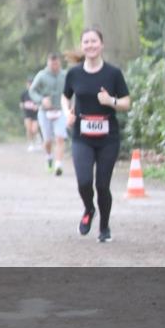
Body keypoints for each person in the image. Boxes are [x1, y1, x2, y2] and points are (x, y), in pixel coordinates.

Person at [62, 27, 131, 242]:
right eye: (86, 42)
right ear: (82, 46)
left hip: (107, 139)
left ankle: (104, 227)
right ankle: (89, 209)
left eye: (94, 41)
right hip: (82, 137)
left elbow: (126, 102)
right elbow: (65, 97)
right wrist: (68, 114)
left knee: (102, 185)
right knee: (84, 182)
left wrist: (110, 101)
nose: (90, 45)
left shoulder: (113, 73)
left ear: (102, 45)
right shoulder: (74, 73)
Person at [29, 53, 68, 176]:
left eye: (56, 64)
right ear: (48, 63)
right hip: (45, 112)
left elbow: (72, 90)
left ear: (59, 63)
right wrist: (41, 100)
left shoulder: (65, 75)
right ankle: (49, 156)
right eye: (51, 64)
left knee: (60, 137)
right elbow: (32, 90)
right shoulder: (41, 75)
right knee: (48, 140)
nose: (54, 66)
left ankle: (58, 165)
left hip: (60, 110)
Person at [20, 79, 41, 151]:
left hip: (35, 114)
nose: (29, 85)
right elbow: (21, 103)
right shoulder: (24, 93)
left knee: (34, 130)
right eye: (28, 84)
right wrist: (23, 106)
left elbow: (41, 103)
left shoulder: (37, 93)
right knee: (28, 129)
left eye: (31, 84)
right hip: (27, 113)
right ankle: (31, 144)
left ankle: (37, 137)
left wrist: (37, 106)